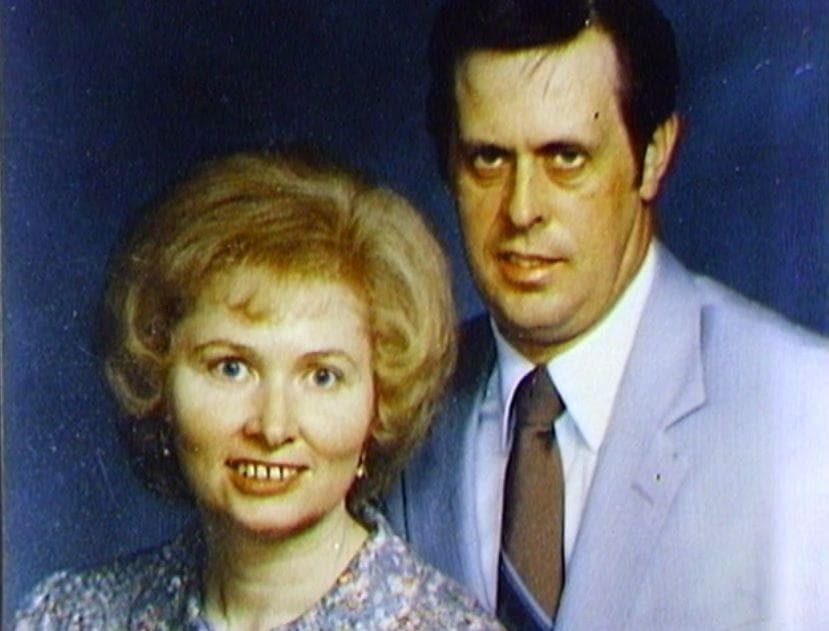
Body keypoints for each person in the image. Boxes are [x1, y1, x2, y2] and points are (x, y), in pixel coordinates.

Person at [383, 0, 829, 629]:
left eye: (565, 158)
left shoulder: (806, 412)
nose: (522, 209)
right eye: (489, 159)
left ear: (653, 155)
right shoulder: (394, 407)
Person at [15, 152, 503, 630]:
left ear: (381, 402)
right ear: (160, 377)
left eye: (322, 376)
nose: (273, 427)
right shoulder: (65, 617)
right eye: (232, 368)